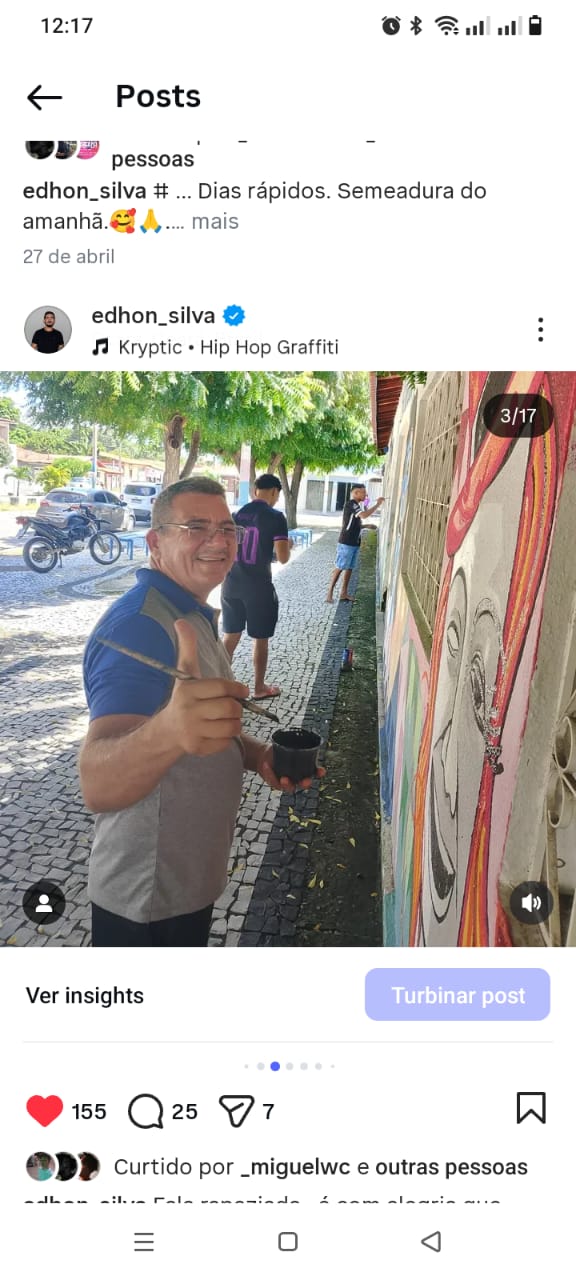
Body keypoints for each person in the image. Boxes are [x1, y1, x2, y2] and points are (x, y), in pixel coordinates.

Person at [80, 477, 322, 948]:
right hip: (146, 897)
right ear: (155, 543)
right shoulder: (141, 627)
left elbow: (196, 722)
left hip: (186, 880)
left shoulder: (189, 610)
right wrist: (168, 731)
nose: (218, 540)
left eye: (227, 528)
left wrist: (257, 755)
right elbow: (97, 783)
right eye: (195, 527)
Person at [221, 474, 292, 699]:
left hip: (231, 584)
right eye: (277, 495)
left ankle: (219, 686)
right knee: (260, 638)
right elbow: (283, 558)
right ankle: (260, 688)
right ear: (274, 492)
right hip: (258, 587)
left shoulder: (236, 515)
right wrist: (288, 545)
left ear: (255, 490)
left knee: (230, 636)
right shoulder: (276, 517)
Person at [326, 483, 384, 603]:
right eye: (363, 492)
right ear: (355, 493)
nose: (366, 495)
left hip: (355, 542)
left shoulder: (356, 505)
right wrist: (378, 504)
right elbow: (363, 515)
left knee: (350, 568)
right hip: (346, 542)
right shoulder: (351, 504)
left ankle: (344, 593)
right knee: (340, 567)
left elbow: (354, 524)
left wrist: (366, 526)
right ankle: (329, 593)